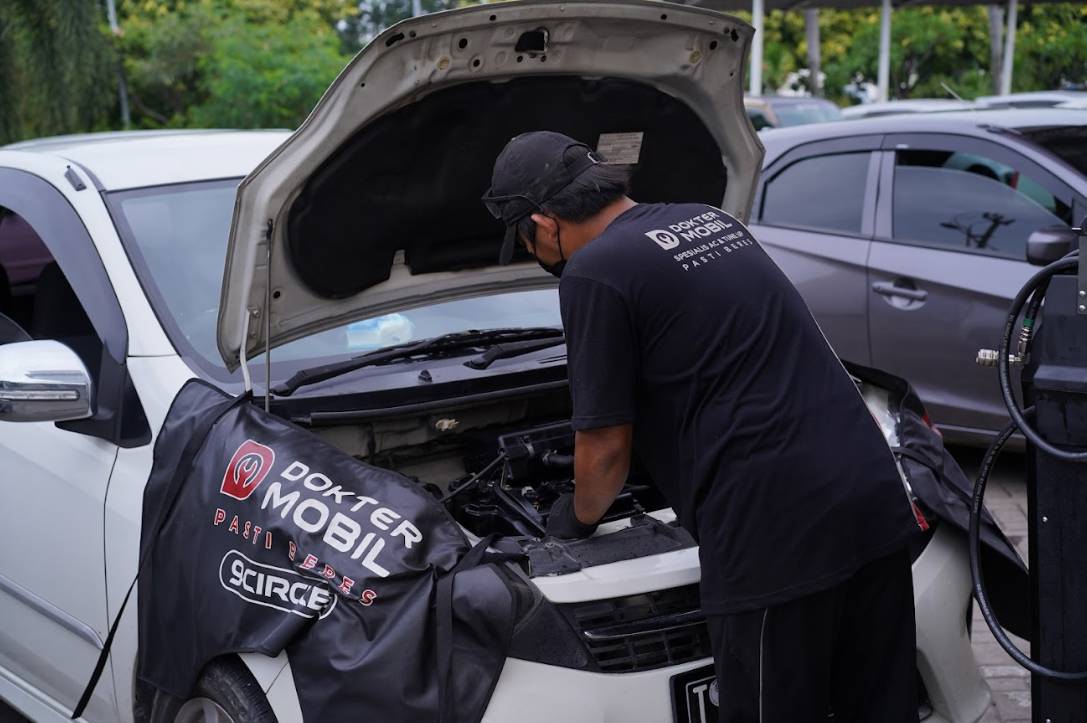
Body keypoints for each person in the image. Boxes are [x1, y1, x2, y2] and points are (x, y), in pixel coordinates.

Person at [482, 131, 927, 723]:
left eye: (524, 238)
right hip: (870, 494)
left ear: (543, 223)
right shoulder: (710, 220)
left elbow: (607, 448)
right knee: (879, 706)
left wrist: (574, 517)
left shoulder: (595, 271)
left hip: (776, 534)